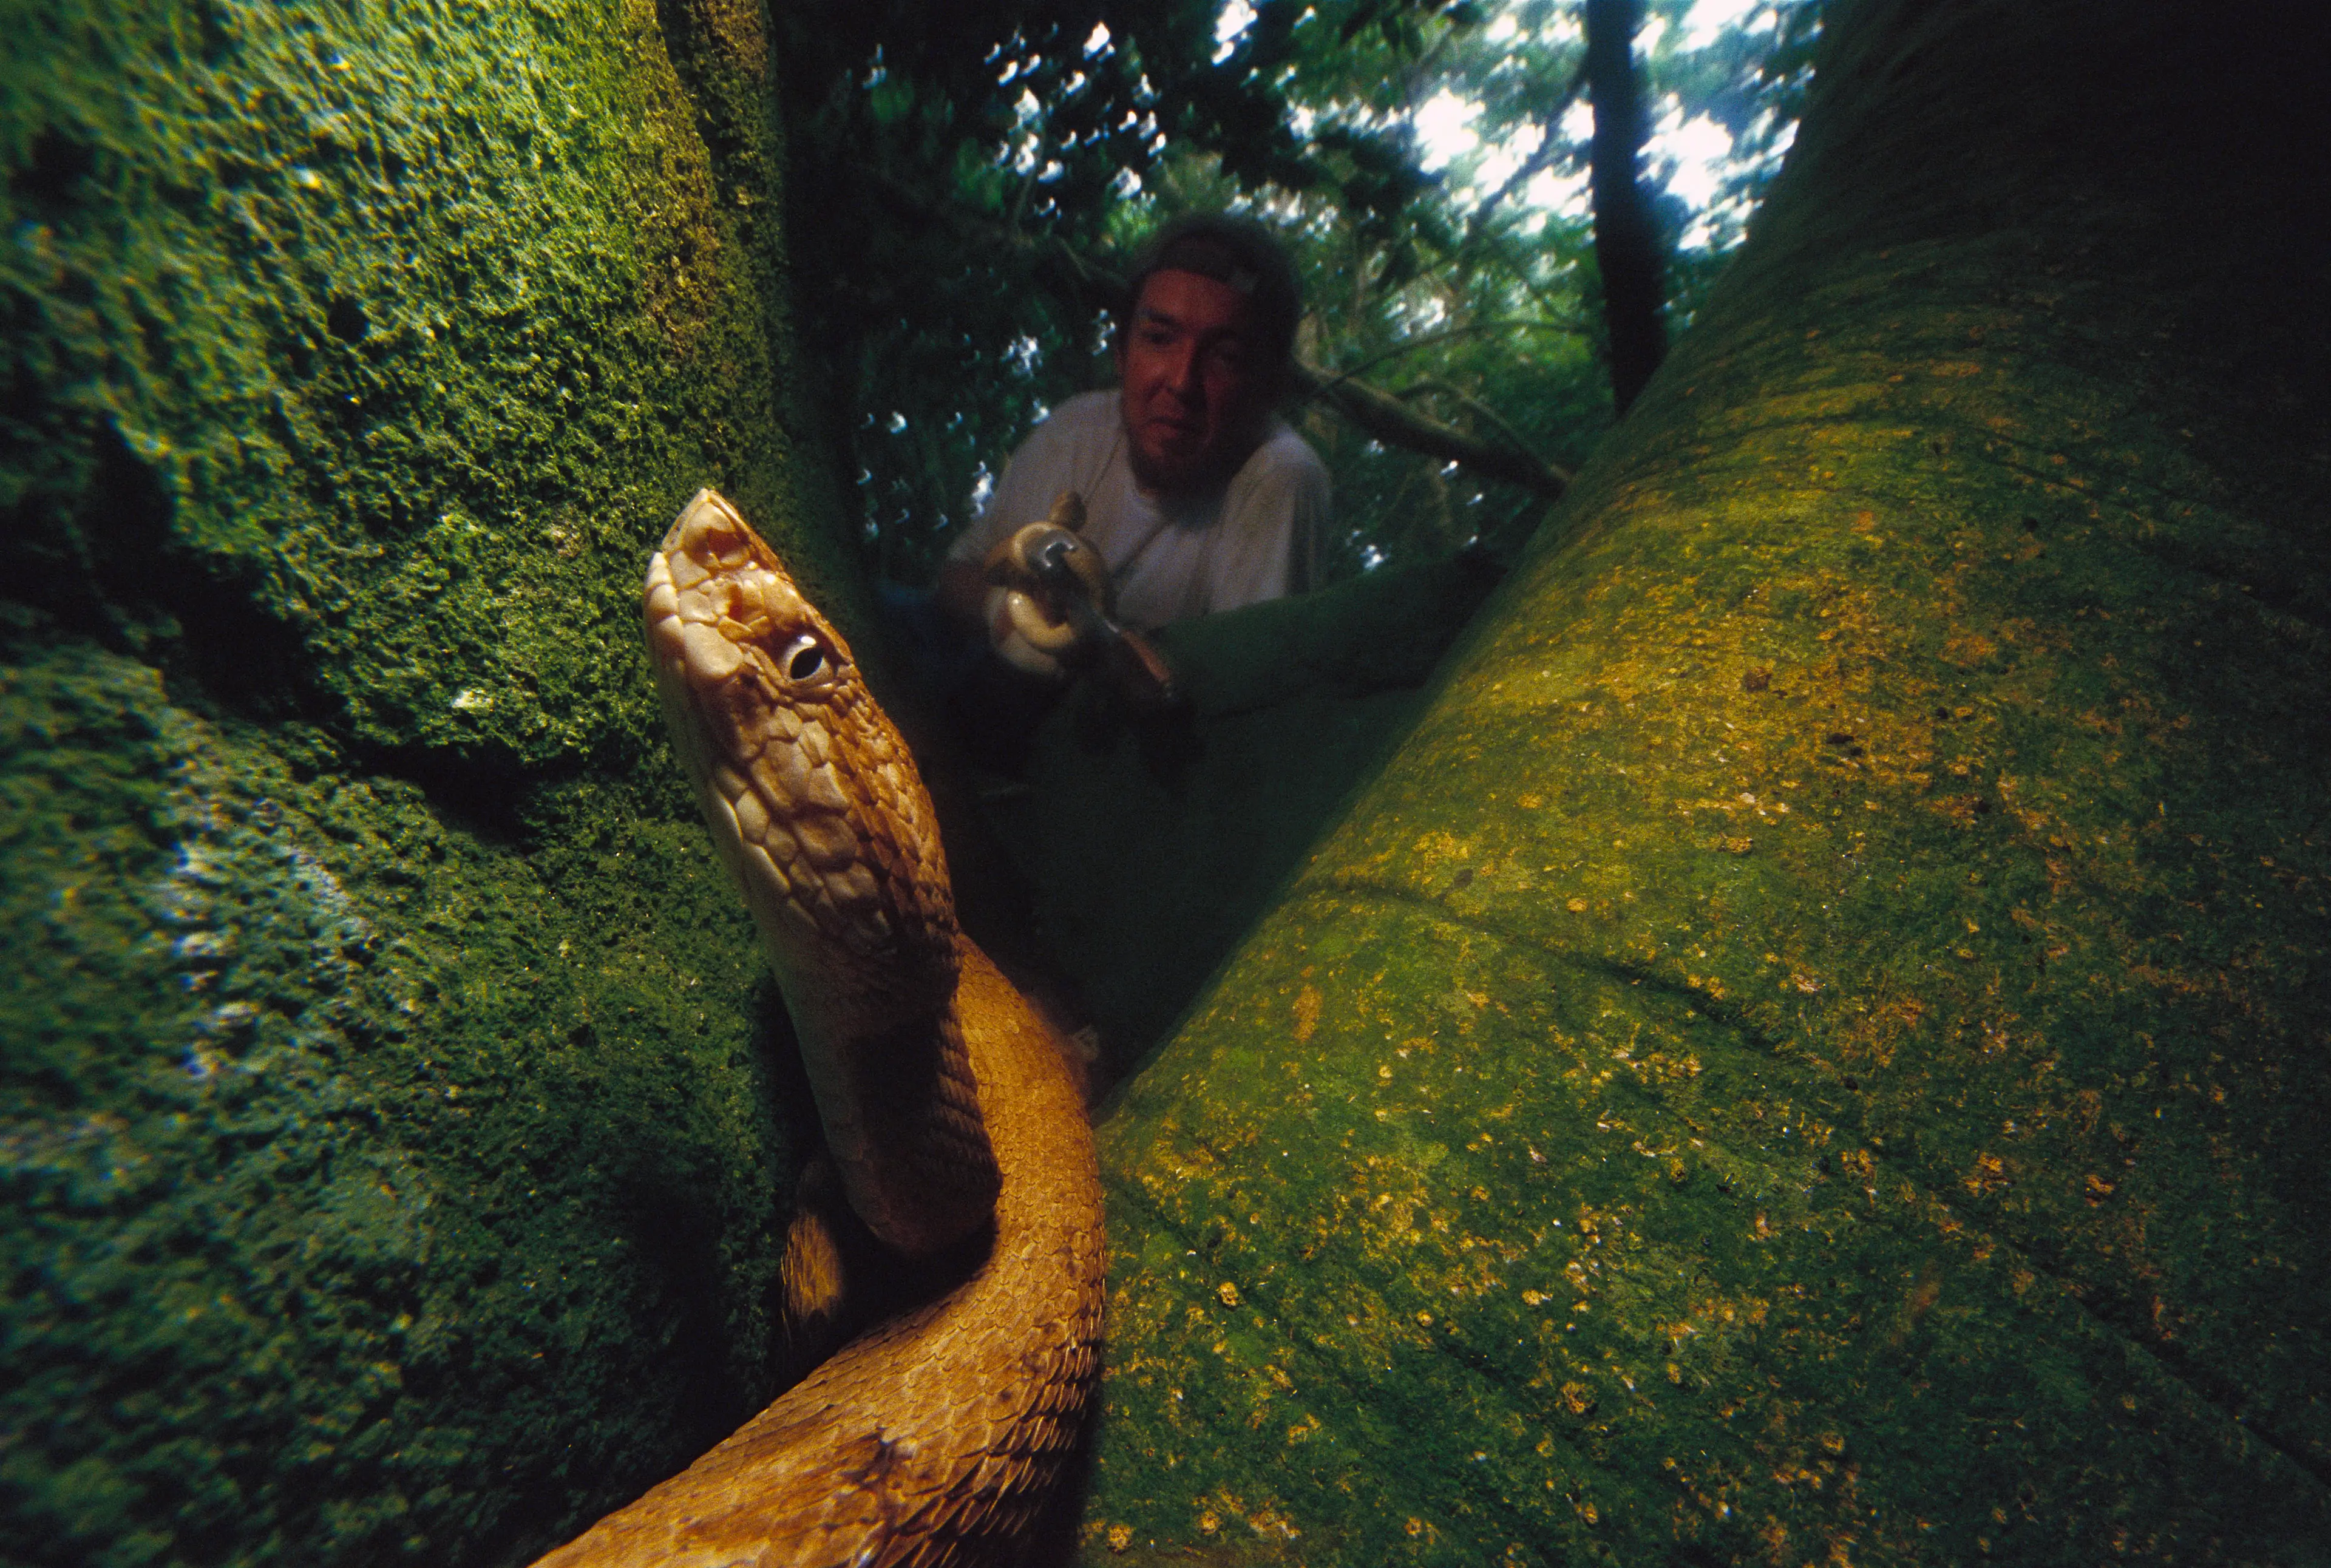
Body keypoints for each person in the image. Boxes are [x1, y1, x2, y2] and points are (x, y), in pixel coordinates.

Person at [936, 213, 1330, 648]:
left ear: (1268, 388)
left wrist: (1099, 654)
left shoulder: (1278, 475)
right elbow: (959, 573)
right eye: (1160, 338)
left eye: (1225, 357)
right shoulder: (1078, 431)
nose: (1182, 383)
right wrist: (1007, 615)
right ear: (1122, 354)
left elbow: (1240, 682)